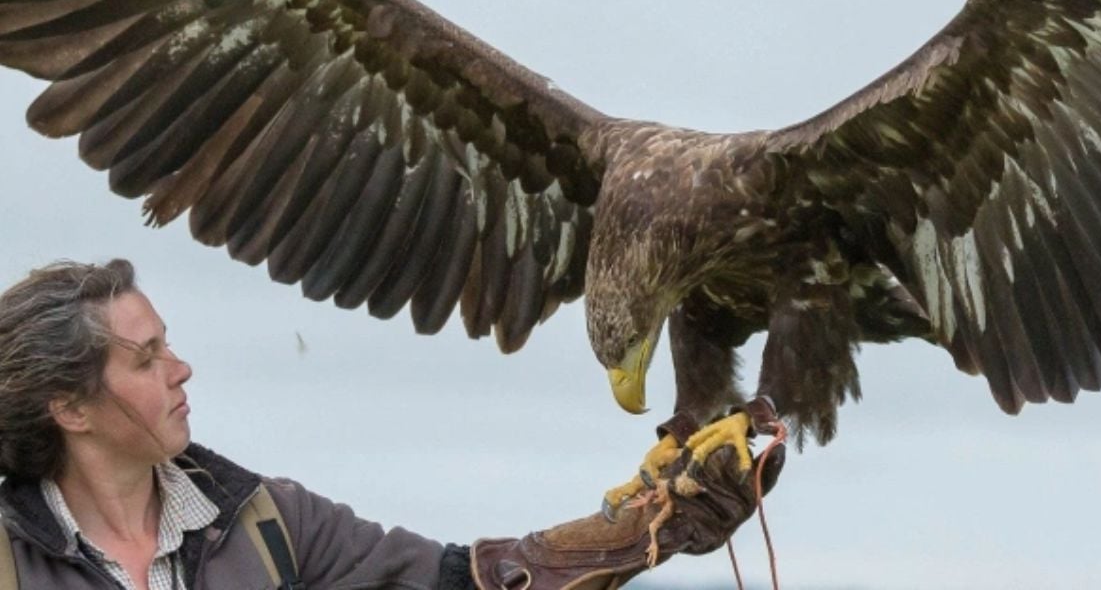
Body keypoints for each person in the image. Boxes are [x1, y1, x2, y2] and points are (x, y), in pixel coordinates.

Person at [0, 259, 782, 590]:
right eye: (146, 359)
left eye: (169, 344)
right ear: (70, 408)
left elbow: (464, 582)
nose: (181, 368)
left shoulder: (267, 521)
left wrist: (649, 529)